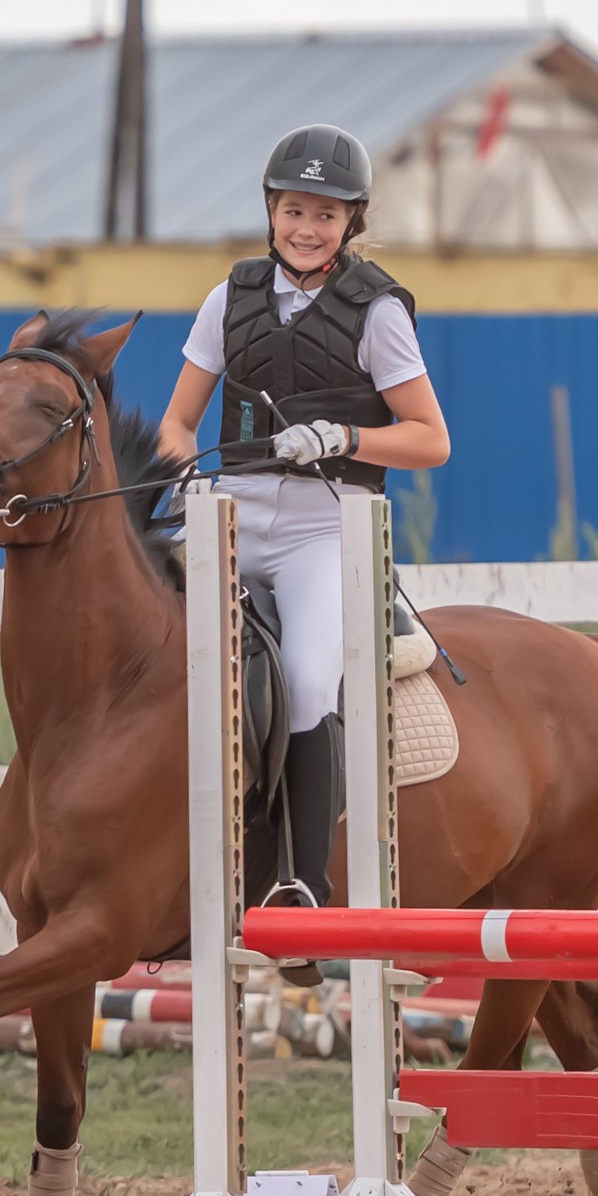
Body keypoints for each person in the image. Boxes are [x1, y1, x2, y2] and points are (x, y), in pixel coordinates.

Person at [160, 123, 449, 909]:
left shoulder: (376, 311)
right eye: (293, 210)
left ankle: (302, 882)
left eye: (324, 215)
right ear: (270, 210)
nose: (305, 228)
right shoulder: (230, 298)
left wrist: (347, 434)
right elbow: (177, 424)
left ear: (349, 222)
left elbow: (431, 439)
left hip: (325, 525)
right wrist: (189, 479)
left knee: (307, 676)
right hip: (232, 512)